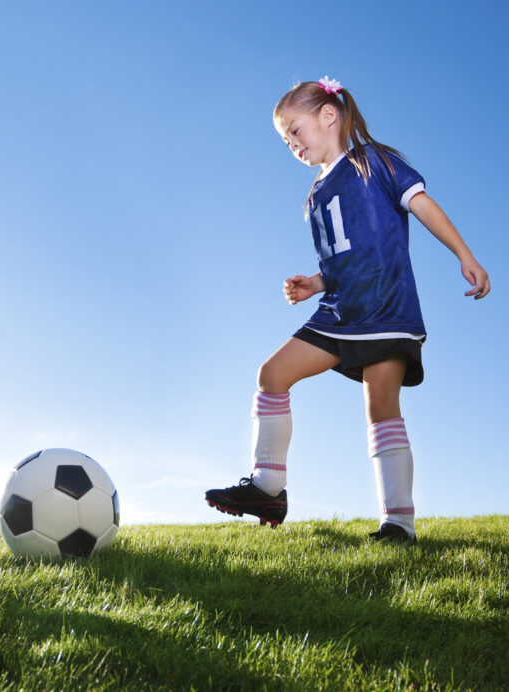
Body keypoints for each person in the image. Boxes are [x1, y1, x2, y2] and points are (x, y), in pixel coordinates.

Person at [205, 77, 490, 543]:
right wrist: (315, 283)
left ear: (328, 115)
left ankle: (398, 523)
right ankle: (267, 488)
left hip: (385, 307)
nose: (292, 144)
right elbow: (341, 257)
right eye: (285, 140)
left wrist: (465, 254)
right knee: (271, 375)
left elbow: (422, 206)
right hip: (339, 310)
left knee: (381, 409)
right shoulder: (314, 196)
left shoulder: (372, 162)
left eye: (295, 130)